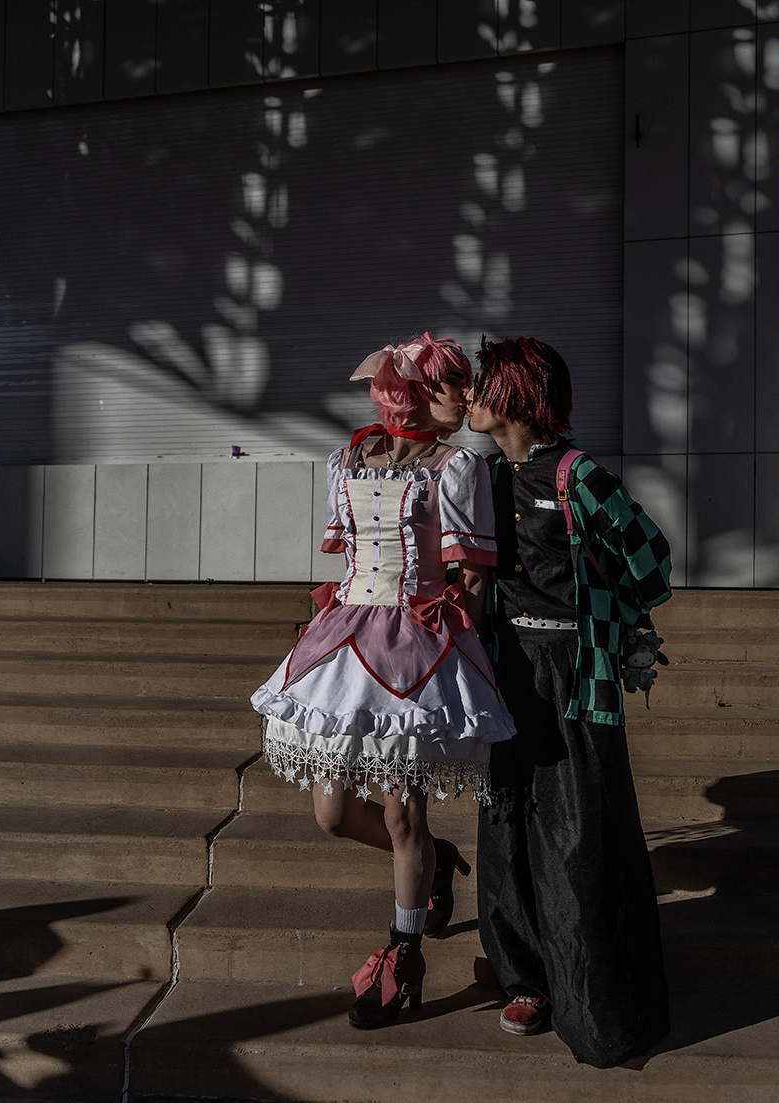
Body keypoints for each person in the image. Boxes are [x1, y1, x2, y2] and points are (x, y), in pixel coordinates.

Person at [250, 333, 515, 1030]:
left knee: (404, 816)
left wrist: (456, 650)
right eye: (454, 382)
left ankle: (406, 950)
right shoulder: (347, 460)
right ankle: (438, 862)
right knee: (332, 813)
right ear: (415, 390)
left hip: (419, 643)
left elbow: (472, 575)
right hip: (347, 637)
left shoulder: (459, 467)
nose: (467, 395)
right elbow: (349, 557)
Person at [465, 335, 673, 1068]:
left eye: (483, 385)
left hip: (574, 674)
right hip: (507, 671)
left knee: (577, 830)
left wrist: (619, 620)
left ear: (516, 397)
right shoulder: (484, 476)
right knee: (506, 820)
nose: (471, 397)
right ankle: (524, 978)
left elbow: (651, 560)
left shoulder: (578, 474)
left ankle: (590, 991)